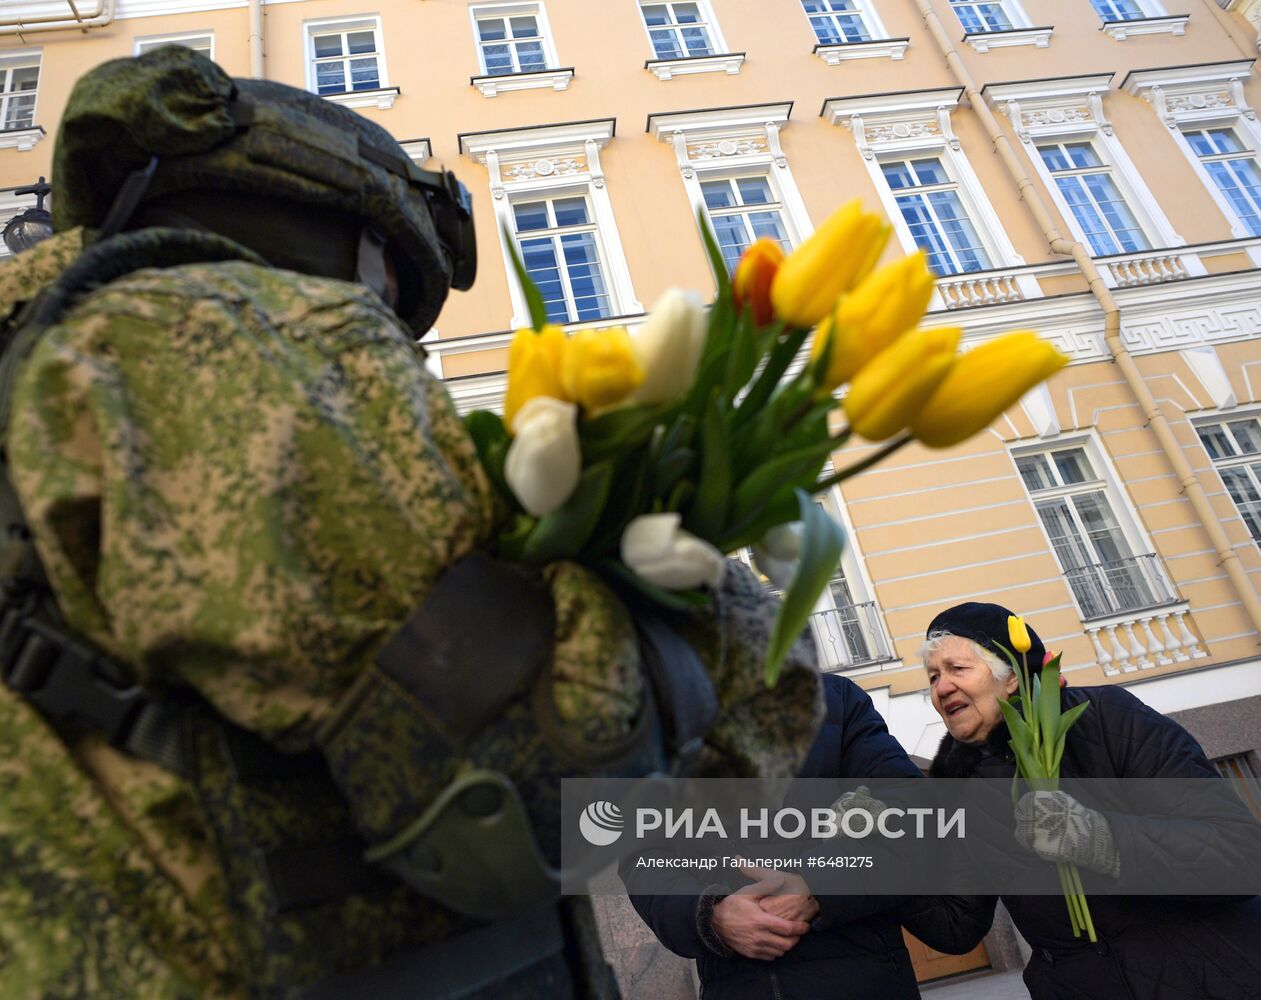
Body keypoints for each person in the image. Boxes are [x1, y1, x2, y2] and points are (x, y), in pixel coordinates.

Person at [0, 47, 823, 998]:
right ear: (347, 246)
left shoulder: (49, 355)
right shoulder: (234, 330)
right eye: (393, 299)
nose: (391, 342)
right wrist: (732, 622)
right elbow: (532, 771)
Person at [902, 601, 1261, 999]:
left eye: (957, 669)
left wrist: (1100, 839)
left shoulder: (1107, 719)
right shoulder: (960, 787)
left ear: (1012, 677)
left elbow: (1241, 858)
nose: (941, 687)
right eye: (933, 677)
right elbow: (956, 927)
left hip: (1212, 977)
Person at [625, 671, 925, 999]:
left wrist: (816, 885)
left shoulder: (835, 700)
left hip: (862, 980)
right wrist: (711, 915)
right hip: (736, 986)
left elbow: (909, 815)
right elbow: (645, 861)